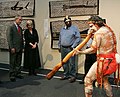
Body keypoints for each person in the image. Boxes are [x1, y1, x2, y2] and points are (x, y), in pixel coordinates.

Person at [73, 15, 118, 97]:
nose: (90, 29)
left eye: (91, 26)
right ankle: (110, 95)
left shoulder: (99, 33)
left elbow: (93, 49)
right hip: (112, 61)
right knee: (105, 80)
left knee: (88, 79)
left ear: (96, 24)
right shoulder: (109, 30)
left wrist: (80, 52)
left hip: (104, 62)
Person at [58, 16, 81, 83]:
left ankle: (72, 76)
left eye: (69, 21)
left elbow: (78, 38)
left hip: (70, 48)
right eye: (66, 22)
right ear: (65, 22)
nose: (68, 23)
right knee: (64, 62)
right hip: (63, 48)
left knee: (71, 63)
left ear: (71, 21)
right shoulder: (62, 29)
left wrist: (73, 46)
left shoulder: (74, 28)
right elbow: (60, 38)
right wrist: (59, 46)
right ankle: (66, 74)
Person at [6, 15, 24, 82]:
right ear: (16, 19)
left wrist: (22, 47)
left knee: (18, 62)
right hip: (13, 48)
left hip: (19, 48)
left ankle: (17, 73)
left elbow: (21, 38)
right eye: (20, 20)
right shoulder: (11, 27)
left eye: (21, 20)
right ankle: (12, 75)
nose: (20, 21)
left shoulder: (20, 28)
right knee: (12, 62)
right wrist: (12, 47)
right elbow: (9, 38)